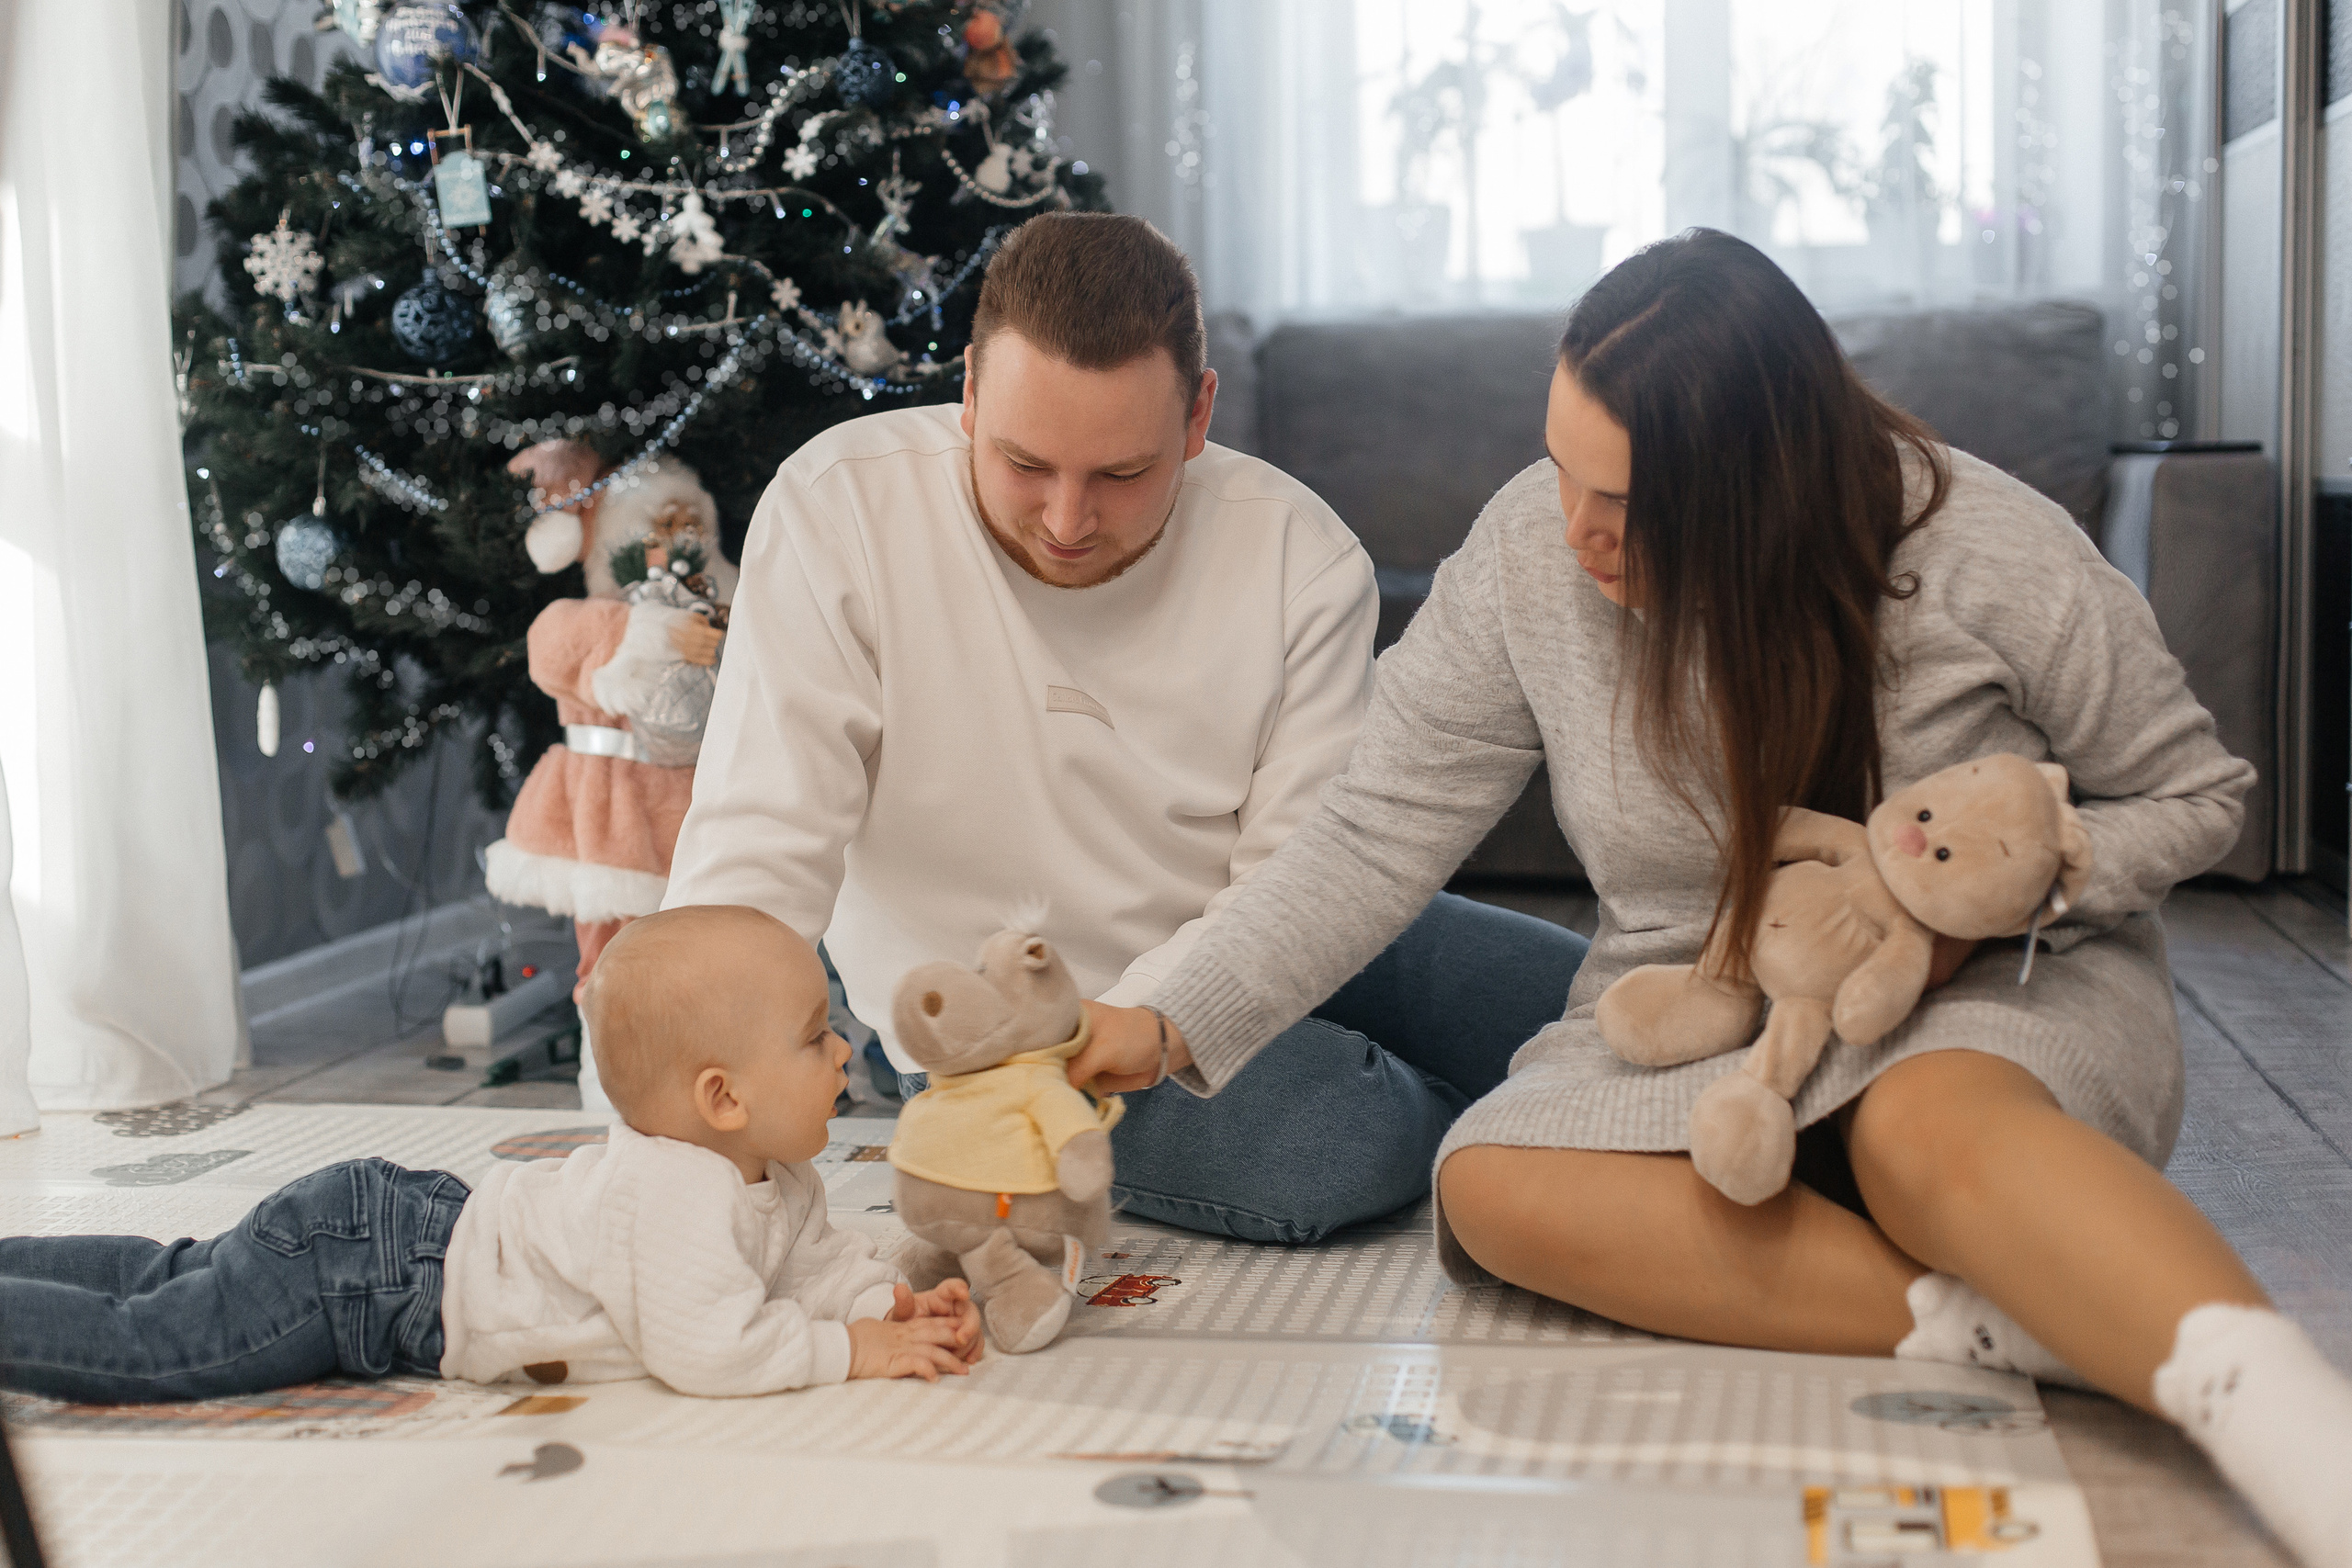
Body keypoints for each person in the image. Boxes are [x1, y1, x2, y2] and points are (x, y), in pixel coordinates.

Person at [1070, 230, 2352, 1567]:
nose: (1577, 530)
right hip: (1701, 999)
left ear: (1763, 488)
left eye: (1624, 499)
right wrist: (1158, 1020)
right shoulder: (1534, 553)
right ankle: (2020, 1313)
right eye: (1563, 468)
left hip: (1992, 985)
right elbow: (1371, 832)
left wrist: (2020, 876)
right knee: (1492, 1186)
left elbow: (2198, 796)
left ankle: (2280, 1413)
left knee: (1916, 1124)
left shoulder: (1981, 547)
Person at [658, 212, 1586, 1245]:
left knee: (1597, 1001)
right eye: (1024, 464)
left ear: (1198, 417)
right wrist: (680, 1133)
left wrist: (1183, 1012)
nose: (1064, 520)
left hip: (1261, 937)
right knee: (1333, 1141)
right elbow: (757, 840)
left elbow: (1302, 883)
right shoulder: (839, 510)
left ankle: (1514, 1104)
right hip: (1000, 1039)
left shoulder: (1299, 556)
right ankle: (1512, 1133)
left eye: (1119, 475)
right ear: (967, 389)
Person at [0, 907, 980, 1403]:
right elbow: (709, 1349)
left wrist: (883, 1303)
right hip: (366, 1282)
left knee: (166, 1277)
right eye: (817, 1036)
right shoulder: (676, 1192)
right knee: (164, 1341)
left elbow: (806, 1266)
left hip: (391, 1231)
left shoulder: (775, 1170)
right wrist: (845, 1353)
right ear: (722, 1098)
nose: (845, 1050)